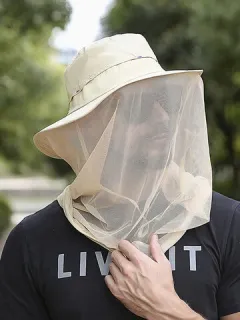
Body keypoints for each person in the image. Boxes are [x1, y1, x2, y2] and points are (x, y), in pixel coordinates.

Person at [0, 34, 239, 320]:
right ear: (89, 128)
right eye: (139, 105)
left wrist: (167, 311)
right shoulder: (31, 242)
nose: (162, 117)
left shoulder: (227, 223)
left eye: (164, 99)